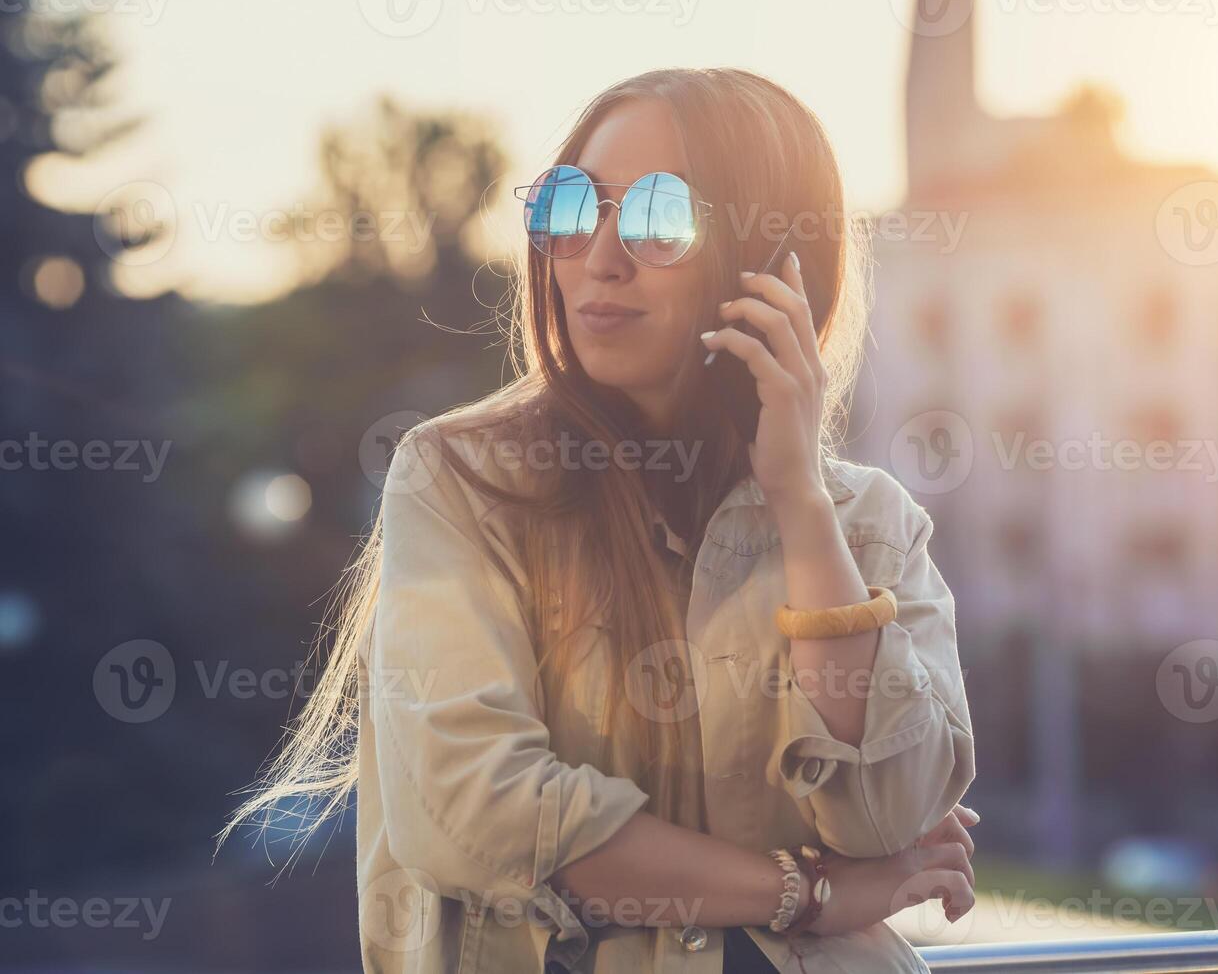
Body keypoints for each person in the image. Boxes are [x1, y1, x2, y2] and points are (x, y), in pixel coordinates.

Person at [219, 66, 979, 973]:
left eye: (662, 216)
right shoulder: (460, 481)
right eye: (573, 206)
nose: (600, 255)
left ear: (776, 262)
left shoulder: (867, 523)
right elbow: (480, 813)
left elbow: (894, 812)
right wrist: (809, 894)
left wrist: (801, 508)